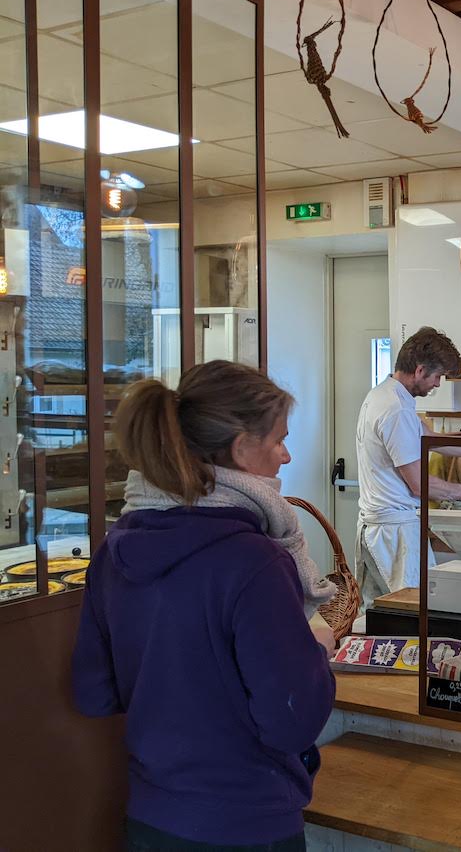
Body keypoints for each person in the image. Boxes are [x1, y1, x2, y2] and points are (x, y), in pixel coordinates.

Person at [71, 361, 336, 851]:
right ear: (240, 448)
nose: (286, 454)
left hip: (151, 819)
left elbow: (95, 692)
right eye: (278, 439)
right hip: (246, 821)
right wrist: (317, 648)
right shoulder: (255, 562)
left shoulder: (116, 547)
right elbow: (293, 721)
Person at [355, 326, 461, 603]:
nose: (438, 384)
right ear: (419, 370)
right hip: (394, 534)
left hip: (379, 529)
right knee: (411, 616)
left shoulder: (383, 395)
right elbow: (418, 484)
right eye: (437, 375)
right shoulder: (396, 410)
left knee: (377, 617)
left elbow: (430, 438)